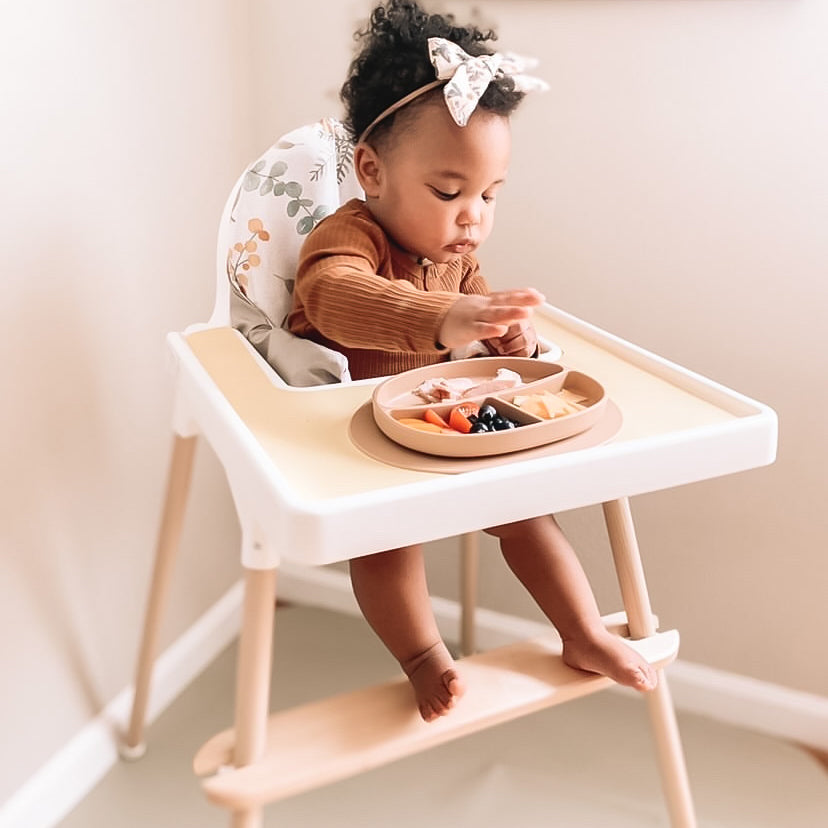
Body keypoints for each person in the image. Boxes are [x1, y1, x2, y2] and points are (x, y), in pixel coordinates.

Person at [288, 0, 657, 722]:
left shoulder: (459, 262)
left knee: (529, 513)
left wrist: (511, 337)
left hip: (441, 420)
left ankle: (581, 632)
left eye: (490, 195)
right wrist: (443, 317)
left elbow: (490, 337)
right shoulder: (350, 236)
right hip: (359, 441)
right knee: (389, 545)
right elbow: (334, 297)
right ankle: (424, 658)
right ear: (372, 170)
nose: (473, 217)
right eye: (450, 192)